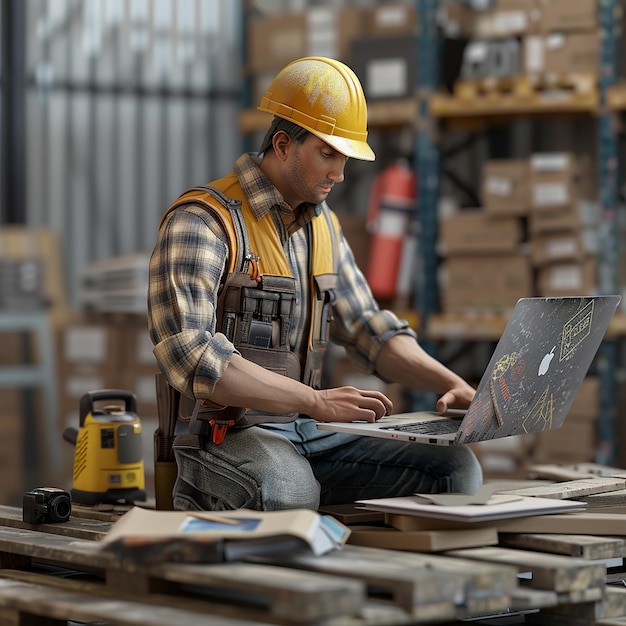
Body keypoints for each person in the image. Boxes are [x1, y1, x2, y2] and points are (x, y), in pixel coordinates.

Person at [147, 56, 483, 512]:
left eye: (344, 157)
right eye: (327, 153)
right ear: (283, 144)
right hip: (224, 437)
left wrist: (455, 383)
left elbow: (367, 328)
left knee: (455, 469)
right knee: (287, 491)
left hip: (308, 432)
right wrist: (315, 400)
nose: (339, 174)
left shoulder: (322, 227)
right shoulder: (204, 222)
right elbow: (191, 354)